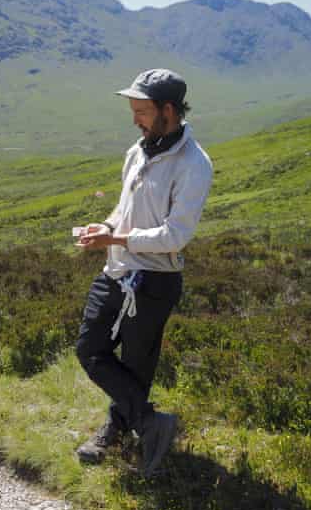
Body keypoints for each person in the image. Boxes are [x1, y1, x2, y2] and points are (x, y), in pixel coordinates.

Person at [74, 69, 213, 477]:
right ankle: (152, 423)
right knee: (90, 350)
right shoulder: (137, 152)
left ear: (167, 111)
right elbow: (124, 209)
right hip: (117, 270)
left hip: (154, 280)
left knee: (136, 365)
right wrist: (108, 227)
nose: (135, 118)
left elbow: (175, 235)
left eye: (142, 111)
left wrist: (117, 241)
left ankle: (116, 430)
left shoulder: (194, 165)